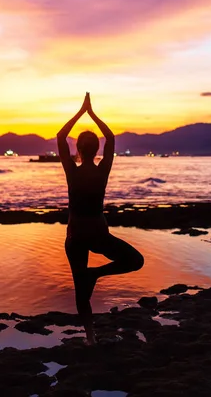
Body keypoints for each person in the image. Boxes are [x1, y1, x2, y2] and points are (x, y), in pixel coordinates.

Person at [57, 92, 144, 344]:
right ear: (96, 150)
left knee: (80, 291)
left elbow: (60, 137)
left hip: (75, 237)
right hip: (97, 235)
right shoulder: (102, 170)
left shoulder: (71, 171)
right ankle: (96, 274)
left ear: (77, 149)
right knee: (135, 260)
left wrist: (80, 112)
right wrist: (92, 113)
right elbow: (111, 138)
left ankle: (91, 337)